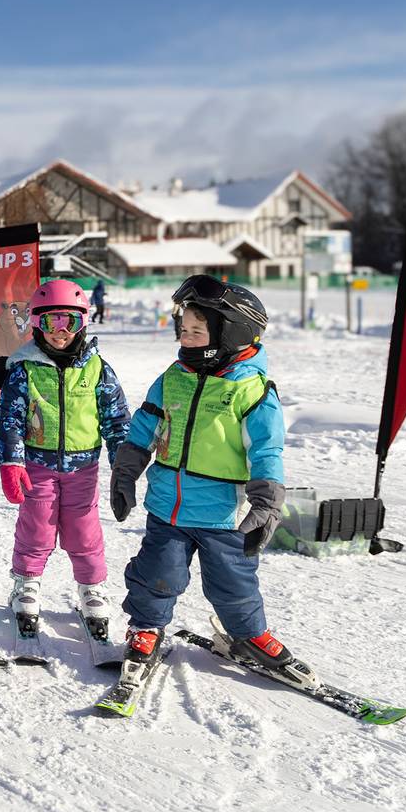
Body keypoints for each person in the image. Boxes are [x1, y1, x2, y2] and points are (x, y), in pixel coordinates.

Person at [110, 274, 290, 677]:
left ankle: (249, 633)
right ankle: (146, 628)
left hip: (224, 515)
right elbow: (145, 427)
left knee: (234, 583)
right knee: (157, 574)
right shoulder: (173, 377)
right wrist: (126, 471)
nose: (185, 337)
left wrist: (266, 501)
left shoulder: (252, 391)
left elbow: (266, 450)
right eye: (183, 329)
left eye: (196, 330)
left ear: (231, 333)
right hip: (167, 510)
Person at [0, 279, 130, 639]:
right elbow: (9, 419)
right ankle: (26, 583)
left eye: (68, 322)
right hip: (37, 467)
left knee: (84, 530)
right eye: (50, 322)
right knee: (36, 526)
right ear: (37, 324)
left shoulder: (97, 368)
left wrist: (124, 467)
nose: (59, 332)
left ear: (82, 324)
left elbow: (116, 420)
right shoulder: (24, 369)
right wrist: (11, 462)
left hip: (83, 468)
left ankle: (91, 587)